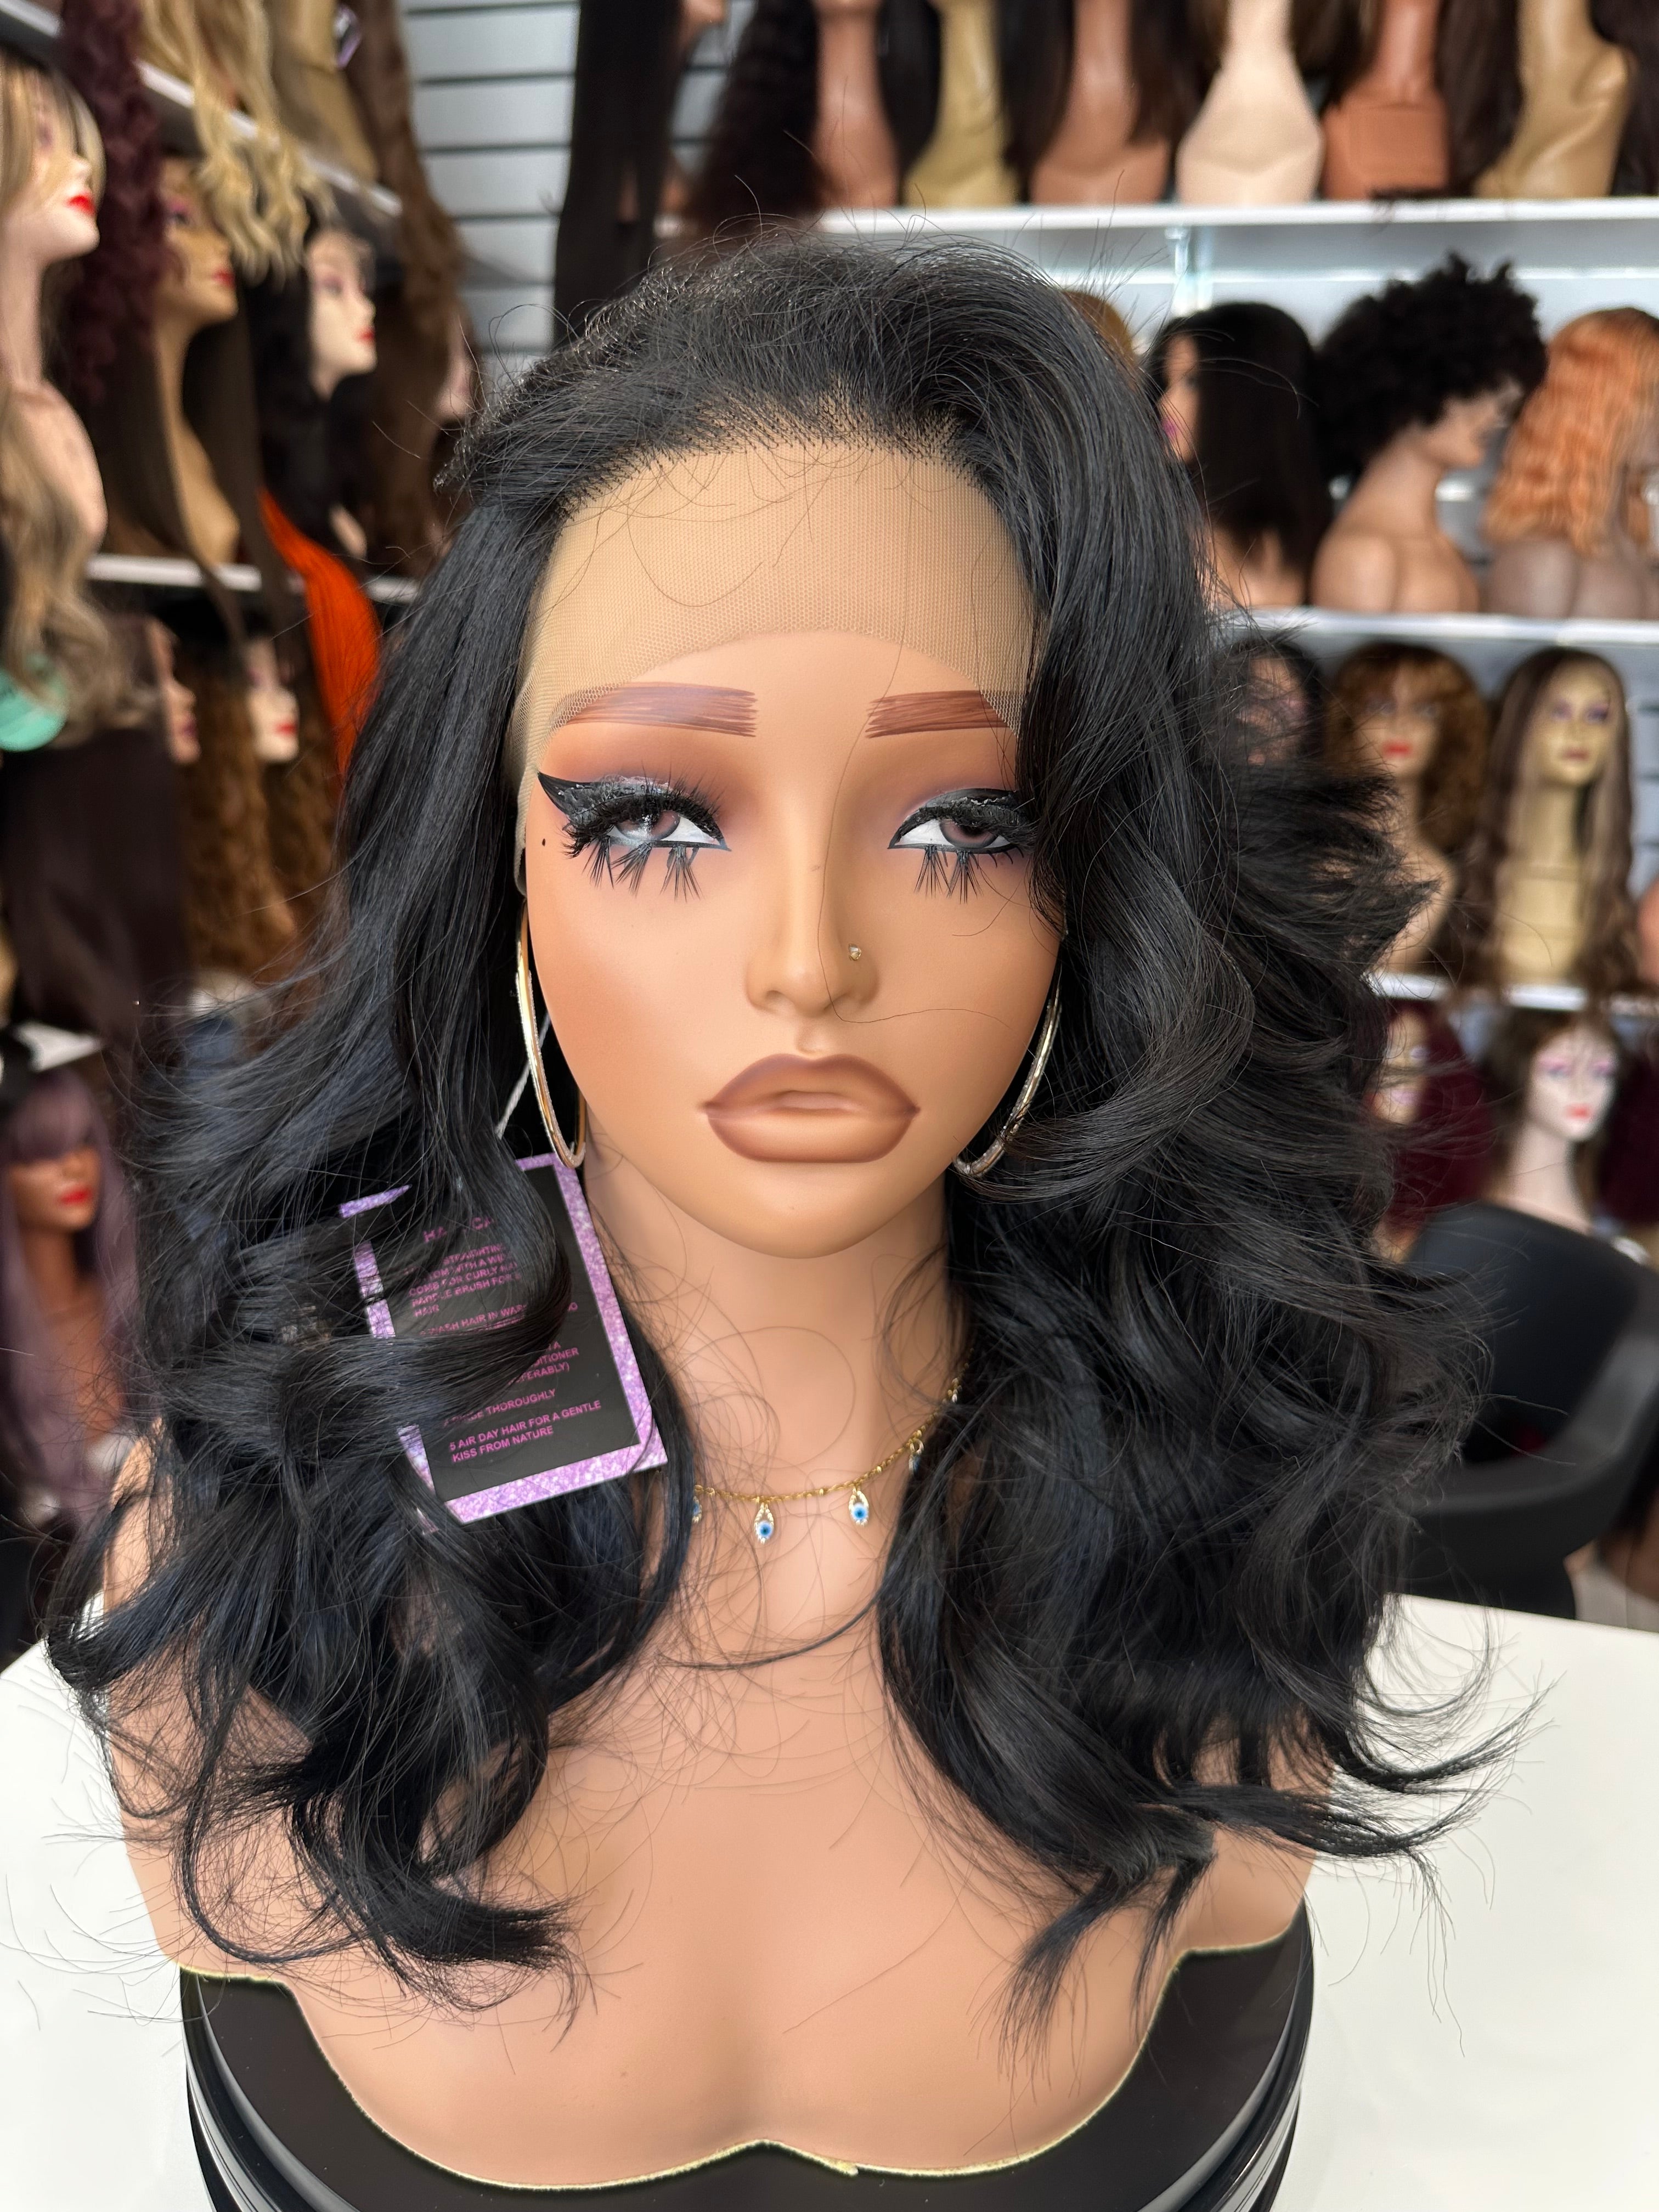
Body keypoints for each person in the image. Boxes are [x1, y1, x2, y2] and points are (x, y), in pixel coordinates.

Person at [54, 239, 1479, 2198]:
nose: (809, 964)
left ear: (1098, 889)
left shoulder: (1223, 1502)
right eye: (656, 820)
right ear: (500, 873)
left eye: (960, 823)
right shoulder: (248, 1537)